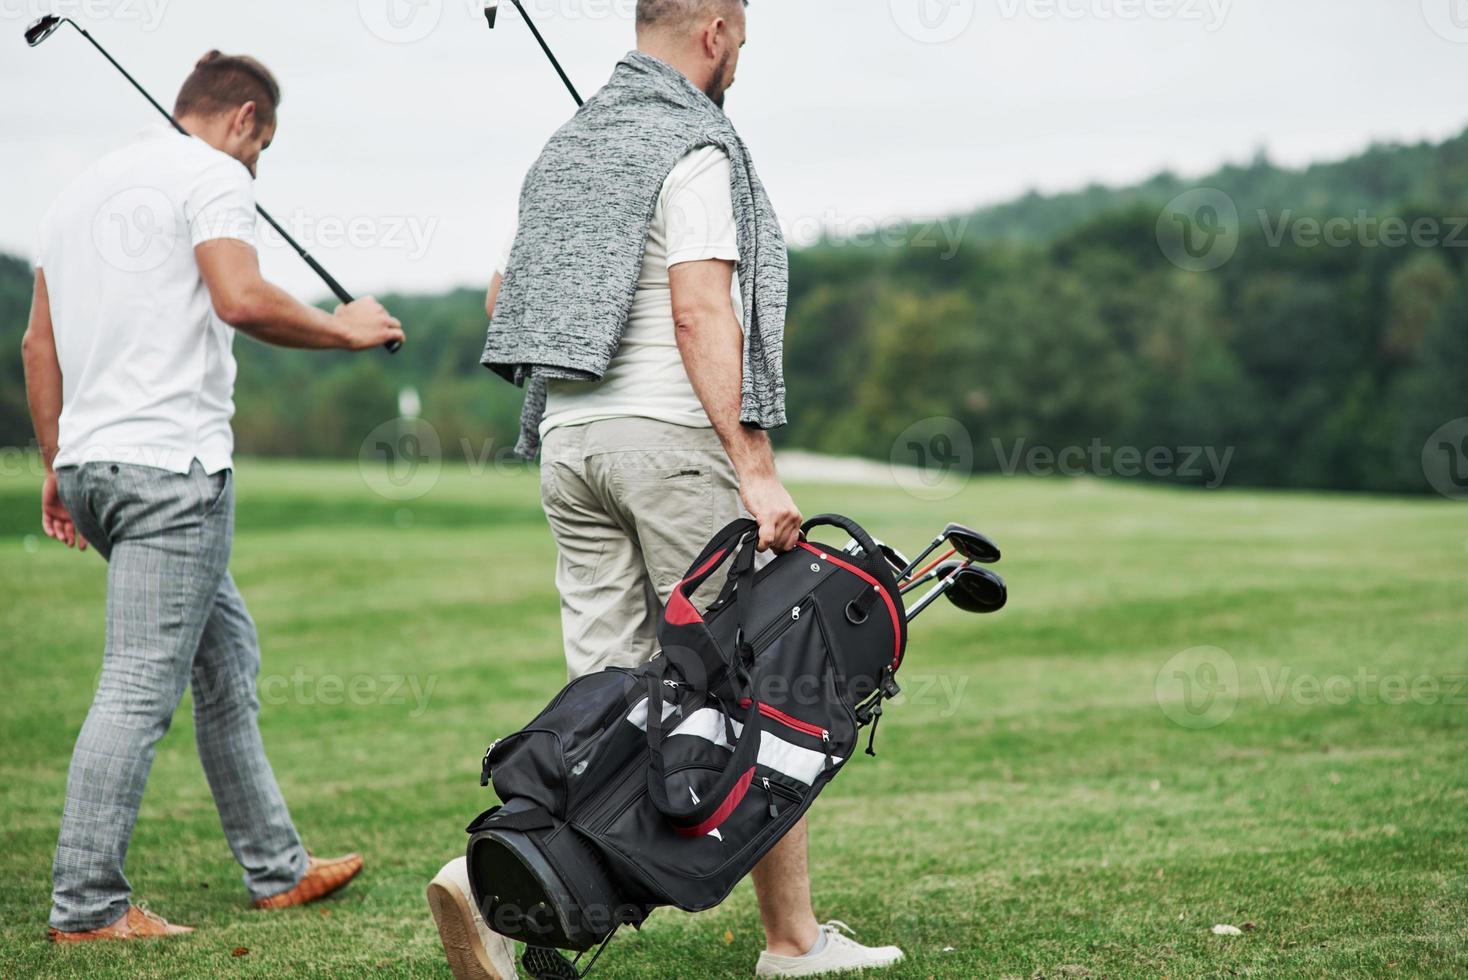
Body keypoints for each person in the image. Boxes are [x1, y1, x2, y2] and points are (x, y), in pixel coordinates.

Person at [426, 3, 904, 976]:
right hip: (667, 443)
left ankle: (509, 906)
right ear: (717, 33)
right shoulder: (694, 143)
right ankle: (791, 941)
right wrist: (755, 464)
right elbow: (699, 307)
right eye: (742, 47)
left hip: (570, 444)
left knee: (615, 701)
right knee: (757, 689)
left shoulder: (570, 147)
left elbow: (502, 298)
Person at [22, 49, 404, 942]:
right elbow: (238, 298)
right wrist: (343, 332)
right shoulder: (214, 174)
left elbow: (40, 346)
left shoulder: (77, 193)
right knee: (135, 689)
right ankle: (86, 906)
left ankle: (275, 868)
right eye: (260, 149)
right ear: (242, 120)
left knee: (224, 656)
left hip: (94, 467)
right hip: (169, 476)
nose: (254, 167)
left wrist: (56, 463)